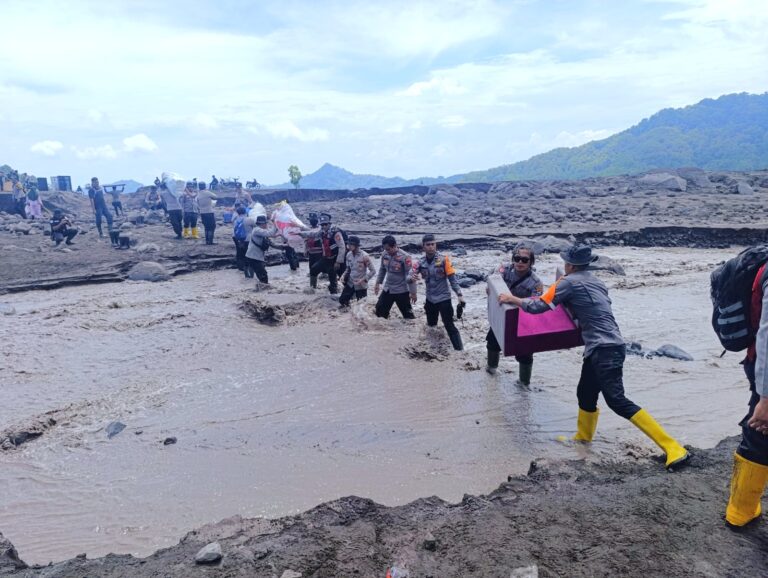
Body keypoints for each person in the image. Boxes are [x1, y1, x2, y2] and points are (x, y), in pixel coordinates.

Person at [501, 244, 689, 470]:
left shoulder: (568, 282)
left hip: (605, 349)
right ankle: (583, 439)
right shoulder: (596, 282)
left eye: (565, 262)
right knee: (586, 393)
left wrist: (512, 299)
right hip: (604, 347)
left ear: (569, 265)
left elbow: (538, 306)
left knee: (617, 400)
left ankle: (673, 447)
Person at [725, 256, 768, 527]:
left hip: (760, 367)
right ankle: (740, 511)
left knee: (759, 435)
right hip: (763, 369)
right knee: (759, 430)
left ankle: (740, 512)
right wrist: (766, 397)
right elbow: (767, 337)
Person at [486, 243, 543, 385]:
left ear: (531, 262)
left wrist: (513, 300)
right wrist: (489, 288)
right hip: (501, 316)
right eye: (517, 258)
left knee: (525, 353)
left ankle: (524, 385)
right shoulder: (504, 269)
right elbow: (492, 279)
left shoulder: (536, 283)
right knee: (492, 343)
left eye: (524, 260)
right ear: (513, 259)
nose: (520, 262)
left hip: (524, 319)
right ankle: (490, 372)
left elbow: (536, 305)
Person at [411, 234, 465, 351]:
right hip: (430, 299)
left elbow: (452, 279)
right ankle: (433, 350)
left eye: (433, 244)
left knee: (449, 325)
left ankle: (460, 352)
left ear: (435, 245)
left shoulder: (444, 260)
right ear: (423, 247)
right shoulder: (420, 263)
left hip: (444, 298)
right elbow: (409, 276)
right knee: (431, 326)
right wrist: (412, 278)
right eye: (428, 245)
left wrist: (459, 295)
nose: (431, 247)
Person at [374, 235, 417, 320]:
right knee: (379, 312)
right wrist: (377, 283)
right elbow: (382, 269)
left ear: (395, 246)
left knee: (409, 317)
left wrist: (413, 293)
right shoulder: (385, 254)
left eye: (388, 249)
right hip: (388, 289)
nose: (387, 251)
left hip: (401, 290)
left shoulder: (405, 257)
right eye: (385, 249)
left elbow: (410, 275)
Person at [307, 213, 346, 294]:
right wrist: (300, 233)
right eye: (322, 225)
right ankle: (312, 290)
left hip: (336, 259)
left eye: (325, 224)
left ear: (329, 224)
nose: (324, 226)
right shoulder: (322, 232)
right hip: (326, 258)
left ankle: (351, 296)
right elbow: (313, 235)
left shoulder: (336, 233)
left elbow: (342, 247)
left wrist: (338, 262)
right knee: (313, 269)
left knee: (343, 277)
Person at [339, 236, 376, 307]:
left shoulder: (365, 256)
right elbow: (348, 268)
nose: (348, 246)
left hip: (361, 285)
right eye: (348, 244)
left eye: (350, 244)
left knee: (362, 306)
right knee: (342, 301)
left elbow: (373, 271)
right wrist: (343, 276)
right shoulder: (348, 255)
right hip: (350, 282)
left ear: (356, 245)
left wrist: (363, 279)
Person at [245, 215, 276, 285]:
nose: (267, 225)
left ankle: (261, 291)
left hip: (256, 257)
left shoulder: (261, 232)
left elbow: (272, 244)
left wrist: (284, 246)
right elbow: (270, 233)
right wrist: (276, 224)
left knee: (262, 275)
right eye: (266, 223)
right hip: (254, 257)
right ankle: (263, 291)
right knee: (263, 276)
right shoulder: (257, 230)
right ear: (262, 224)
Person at [232, 206, 250, 273]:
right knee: (245, 252)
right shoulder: (248, 219)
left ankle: (240, 267)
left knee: (239, 251)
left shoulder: (236, 219)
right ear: (245, 211)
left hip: (235, 237)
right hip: (245, 238)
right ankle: (246, 267)